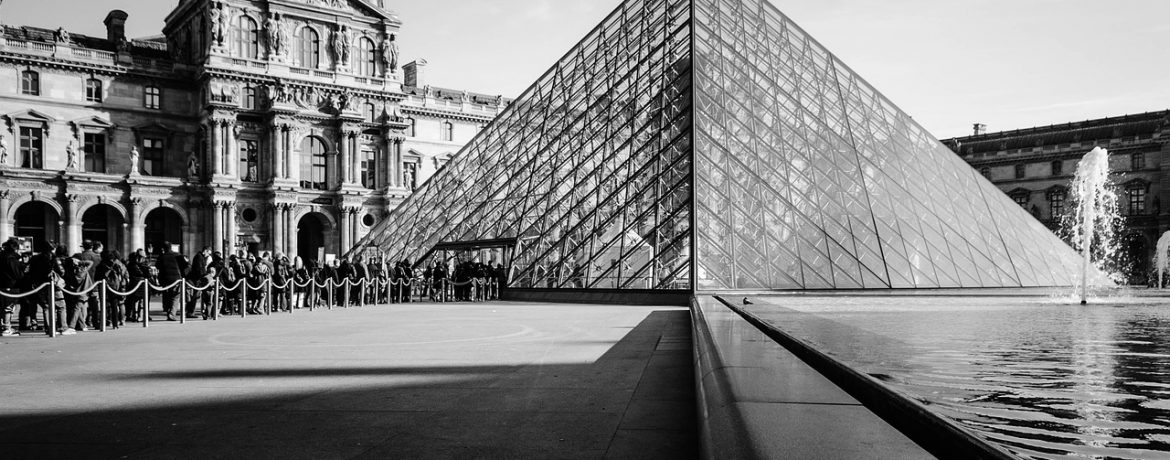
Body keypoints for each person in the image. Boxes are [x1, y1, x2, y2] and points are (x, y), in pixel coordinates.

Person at [95, 249, 129, 328]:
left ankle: (104, 322)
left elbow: (96, 278)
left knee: (104, 305)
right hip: (114, 287)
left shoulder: (100, 266)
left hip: (103, 287)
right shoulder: (116, 265)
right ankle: (115, 324)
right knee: (114, 305)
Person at [154, 242, 188, 321]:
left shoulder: (162, 256)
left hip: (165, 279)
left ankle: (168, 311)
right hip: (176, 278)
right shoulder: (178, 255)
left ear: (163, 248)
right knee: (175, 296)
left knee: (167, 296)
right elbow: (185, 265)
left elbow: (157, 266)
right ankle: (172, 314)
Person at [0, 239, 23, 336]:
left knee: (2, 306)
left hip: (2, 284)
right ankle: (6, 328)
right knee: (9, 307)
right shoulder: (12, 259)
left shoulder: (2, 256)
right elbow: (17, 274)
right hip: (11, 285)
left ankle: (3, 326)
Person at [185, 247, 212, 319]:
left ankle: (190, 311)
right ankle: (190, 312)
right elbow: (199, 269)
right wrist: (204, 275)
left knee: (195, 296)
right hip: (196, 279)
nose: (208, 256)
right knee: (194, 296)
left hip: (196, 279)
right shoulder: (199, 257)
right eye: (208, 253)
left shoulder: (199, 257)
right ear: (205, 251)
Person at [124, 251, 150, 322]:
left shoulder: (132, 264)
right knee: (137, 300)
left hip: (136, 284)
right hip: (138, 284)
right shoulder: (135, 265)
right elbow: (145, 274)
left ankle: (137, 315)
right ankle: (137, 315)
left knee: (137, 300)